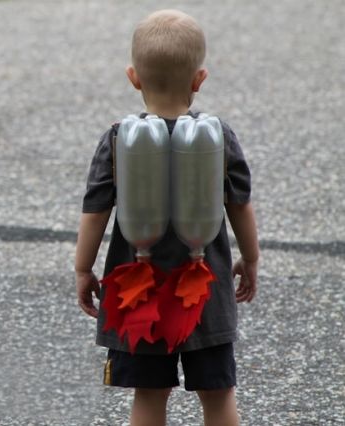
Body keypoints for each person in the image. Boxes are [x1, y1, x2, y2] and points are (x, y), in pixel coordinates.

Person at [74, 9, 259, 426]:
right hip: (204, 290)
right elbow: (240, 204)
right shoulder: (218, 136)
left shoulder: (119, 138)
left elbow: (95, 210)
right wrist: (251, 258)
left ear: (133, 77)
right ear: (199, 79)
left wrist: (83, 268)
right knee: (217, 393)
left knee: (149, 393)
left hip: (139, 291)